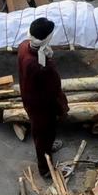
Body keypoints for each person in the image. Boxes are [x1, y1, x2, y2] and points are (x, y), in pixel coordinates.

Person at [17, 17, 69, 178]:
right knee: (43, 134)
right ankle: (45, 168)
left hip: (29, 97)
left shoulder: (24, 47)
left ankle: (49, 146)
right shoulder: (39, 66)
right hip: (42, 105)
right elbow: (53, 90)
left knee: (44, 132)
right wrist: (61, 107)